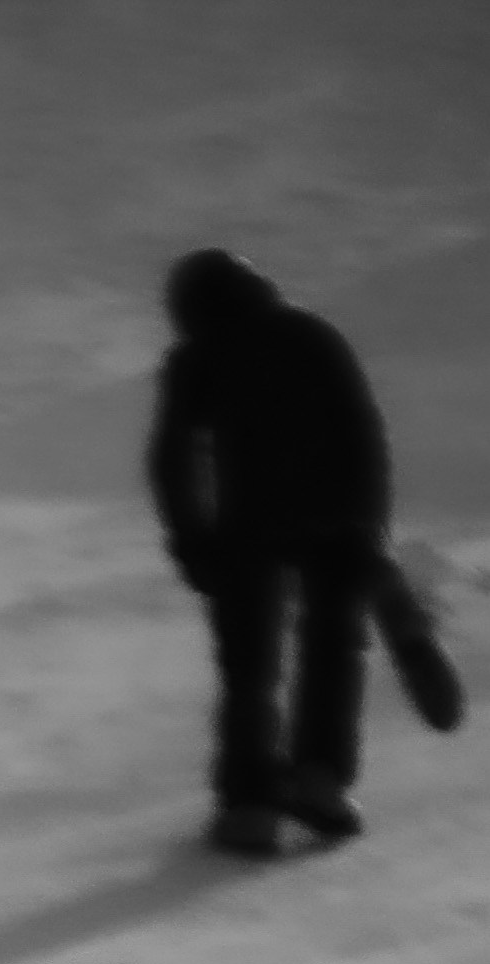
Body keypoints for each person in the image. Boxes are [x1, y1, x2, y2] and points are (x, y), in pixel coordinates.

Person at [144, 250, 392, 854]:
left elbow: (172, 461)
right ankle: (319, 779)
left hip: (247, 528)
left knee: (249, 669)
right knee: (333, 647)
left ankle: (251, 805)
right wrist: (369, 528)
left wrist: (193, 545)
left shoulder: (197, 358)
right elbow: (364, 434)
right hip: (334, 517)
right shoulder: (312, 336)